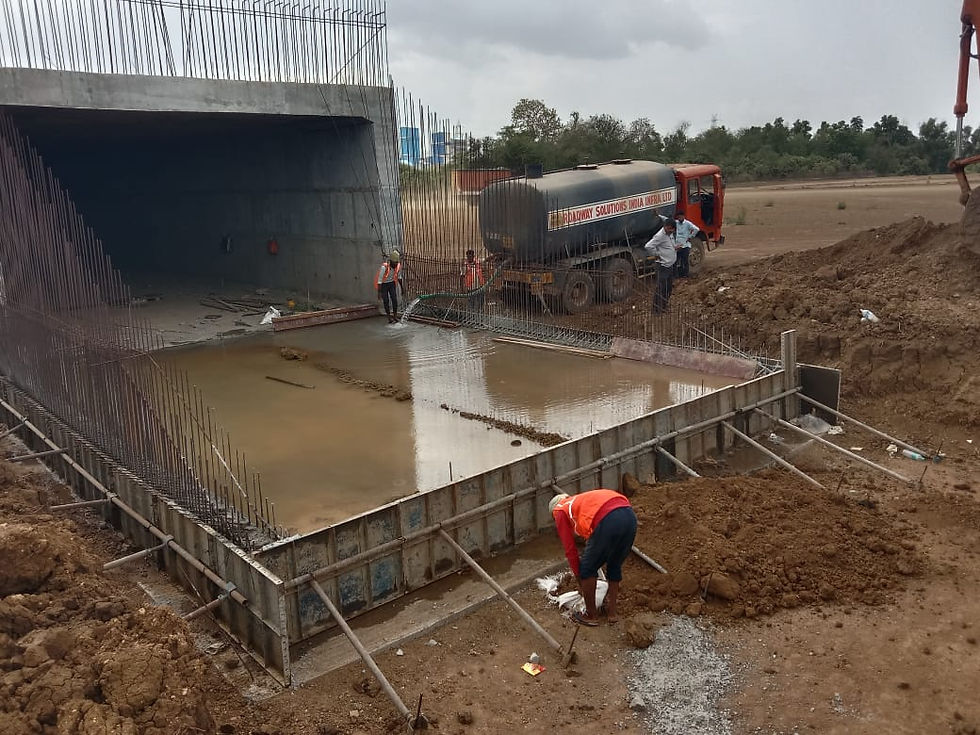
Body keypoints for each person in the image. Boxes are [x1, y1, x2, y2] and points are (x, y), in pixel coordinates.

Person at [549, 489, 638, 626]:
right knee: (614, 564)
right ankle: (612, 613)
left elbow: (570, 550)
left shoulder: (559, 511)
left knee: (587, 568)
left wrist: (581, 577)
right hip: (629, 516)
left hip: (608, 519)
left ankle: (591, 615)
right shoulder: (579, 502)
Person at [644, 219, 678, 314]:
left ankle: (663, 306)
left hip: (670, 265)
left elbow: (668, 245)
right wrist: (657, 254)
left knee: (668, 288)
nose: (671, 231)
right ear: (666, 227)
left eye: (672, 230)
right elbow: (648, 246)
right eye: (670, 229)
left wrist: (674, 248)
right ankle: (656, 310)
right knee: (661, 288)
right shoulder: (660, 236)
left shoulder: (669, 234)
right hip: (663, 266)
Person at [376, 250, 402, 323]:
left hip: (391, 283)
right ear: (391, 261)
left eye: (397, 262)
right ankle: (389, 317)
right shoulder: (384, 267)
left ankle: (395, 316)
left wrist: (402, 288)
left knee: (394, 299)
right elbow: (379, 281)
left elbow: (399, 277)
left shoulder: (397, 266)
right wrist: (379, 292)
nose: (396, 264)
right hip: (384, 285)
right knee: (386, 301)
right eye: (395, 262)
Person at [672, 211, 701, 278]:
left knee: (684, 261)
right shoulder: (676, 223)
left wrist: (690, 236)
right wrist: (659, 215)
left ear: (683, 217)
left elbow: (696, 229)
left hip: (685, 245)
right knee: (675, 261)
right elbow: (667, 220)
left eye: (681, 217)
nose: (680, 218)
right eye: (678, 217)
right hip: (678, 245)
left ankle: (685, 274)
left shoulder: (687, 223)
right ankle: (676, 275)